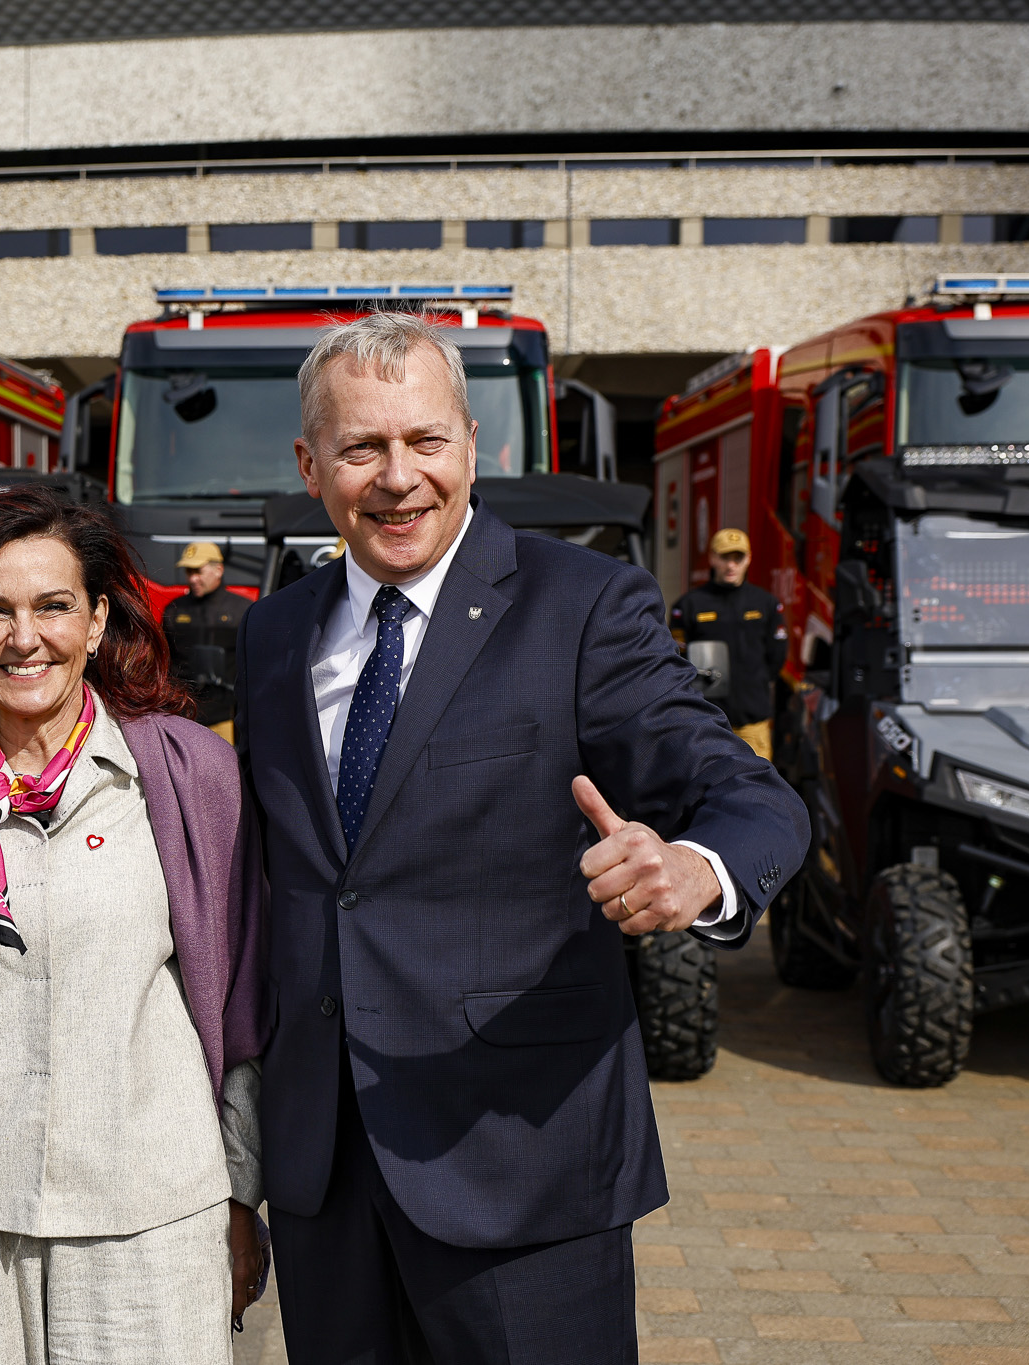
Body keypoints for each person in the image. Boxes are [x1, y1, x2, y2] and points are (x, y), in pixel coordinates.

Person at [235, 311, 808, 1364]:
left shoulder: (581, 606)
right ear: (310, 466)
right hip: (323, 1173)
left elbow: (742, 790)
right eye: (361, 448)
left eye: (424, 442)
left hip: (517, 1164)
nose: (397, 478)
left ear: (470, 445)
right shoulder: (272, 634)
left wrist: (695, 866)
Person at [0, 485, 267, 1364]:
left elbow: (243, 1005)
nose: (23, 636)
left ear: (100, 619)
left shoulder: (190, 780)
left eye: (53, 605)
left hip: (153, 1214)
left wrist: (238, 1191)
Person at [670, 527, 789, 761]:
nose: (731, 565)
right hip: (705, 722)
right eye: (725, 557)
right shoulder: (689, 605)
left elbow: (777, 657)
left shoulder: (765, 603)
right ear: (712, 558)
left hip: (752, 723)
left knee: (756, 792)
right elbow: (676, 658)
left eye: (738, 558)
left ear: (749, 558)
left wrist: (754, 683)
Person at [163, 541, 252, 742]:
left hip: (225, 719)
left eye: (198, 571)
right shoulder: (174, 610)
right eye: (189, 571)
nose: (193, 578)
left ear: (218, 570)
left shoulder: (242, 610)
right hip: (183, 717)